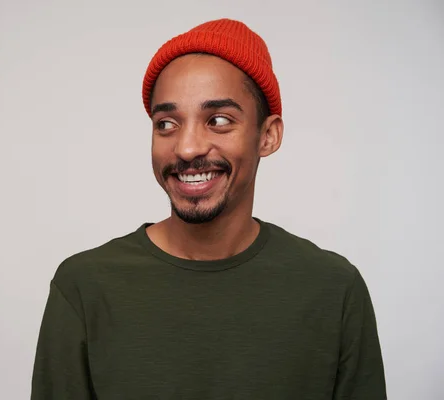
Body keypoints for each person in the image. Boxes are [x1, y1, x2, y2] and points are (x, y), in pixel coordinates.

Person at [30, 18, 387, 399]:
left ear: (267, 136)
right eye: (166, 123)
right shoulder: (84, 287)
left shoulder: (334, 289)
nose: (186, 148)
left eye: (218, 120)